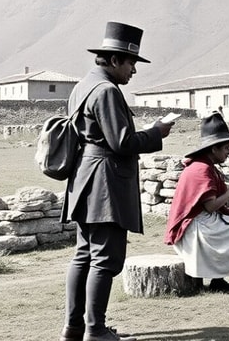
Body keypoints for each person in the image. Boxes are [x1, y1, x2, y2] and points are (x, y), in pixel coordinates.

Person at [60, 22, 173, 341]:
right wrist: (156, 133)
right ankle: (95, 330)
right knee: (105, 258)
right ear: (112, 60)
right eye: (130, 62)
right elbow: (121, 142)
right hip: (105, 184)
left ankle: (74, 327)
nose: (134, 70)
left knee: (84, 255)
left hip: (85, 182)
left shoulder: (83, 86)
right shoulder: (107, 91)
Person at [164, 111, 229, 292]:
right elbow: (210, 206)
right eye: (226, 147)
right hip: (194, 227)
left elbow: (209, 201)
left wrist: (226, 206)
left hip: (201, 221)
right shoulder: (201, 170)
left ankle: (218, 279)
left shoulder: (204, 166)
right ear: (214, 149)